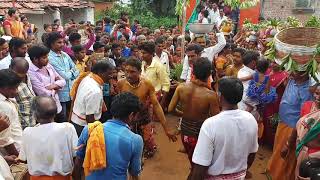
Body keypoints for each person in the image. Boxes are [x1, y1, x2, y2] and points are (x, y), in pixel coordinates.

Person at [189, 77, 258, 179]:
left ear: (220, 96)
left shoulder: (210, 124)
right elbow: (252, 153)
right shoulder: (251, 119)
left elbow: (200, 167)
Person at [75, 92, 143, 180]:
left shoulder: (89, 130)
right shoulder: (135, 140)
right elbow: (134, 173)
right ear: (131, 115)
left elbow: (77, 164)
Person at [117, 58, 177, 157]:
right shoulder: (121, 83)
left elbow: (156, 105)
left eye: (132, 72)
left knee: (147, 140)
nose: (128, 74)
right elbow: (119, 104)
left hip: (144, 116)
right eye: (126, 71)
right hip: (127, 118)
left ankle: (148, 150)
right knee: (129, 143)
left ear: (140, 72)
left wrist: (166, 129)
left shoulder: (147, 84)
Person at [168, 57, 220, 167]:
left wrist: (183, 114)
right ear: (209, 73)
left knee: (193, 160)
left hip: (185, 132)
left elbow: (170, 109)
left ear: (193, 71)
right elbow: (216, 119)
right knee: (200, 165)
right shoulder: (210, 95)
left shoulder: (181, 87)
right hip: (201, 134)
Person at [267, 71, 313, 180]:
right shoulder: (292, 80)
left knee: (286, 156)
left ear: (303, 74)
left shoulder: (308, 90)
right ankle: (273, 173)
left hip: (292, 128)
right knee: (278, 151)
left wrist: (289, 142)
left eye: (294, 70)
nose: (290, 72)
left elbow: (303, 118)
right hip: (282, 122)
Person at [18, 96, 78, 179]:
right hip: (62, 178)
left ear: (34, 115)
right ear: (56, 112)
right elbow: (76, 156)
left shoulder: (27, 132)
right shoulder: (68, 128)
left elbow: (23, 159)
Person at [70, 61, 114, 136]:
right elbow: (90, 118)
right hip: (83, 126)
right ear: (100, 72)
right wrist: (94, 135)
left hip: (76, 120)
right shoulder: (95, 91)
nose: (112, 76)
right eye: (109, 74)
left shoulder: (88, 77)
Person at [46, 32, 80, 122]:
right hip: (61, 93)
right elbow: (64, 75)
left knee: (73, 116)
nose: (62, 44)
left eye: (63, 42)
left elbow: (76, 69)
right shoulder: (50, 57)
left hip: (71, 91)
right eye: (59, 42)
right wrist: (71, 72)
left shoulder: (64, 54)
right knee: (62, 118)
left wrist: (70, 72)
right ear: (51, 44)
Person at [28, 45, 66, 122]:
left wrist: (52, 86)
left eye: (47, 56)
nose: (47, 59)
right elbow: (43, 93)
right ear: (35, 59)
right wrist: (56, 88)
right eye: (44, 58)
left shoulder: (48, 66)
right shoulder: (31, 72)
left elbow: (63, 81)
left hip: (57, 105)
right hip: (45, 111)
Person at [289, 84, 320, 179]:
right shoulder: (307, 105)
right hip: (301, 149)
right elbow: (298, 126)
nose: (318, 97)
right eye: (316, 93)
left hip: (315, 157)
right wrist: (288, 143)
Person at [262, 60, 288, 145]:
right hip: (265, 99)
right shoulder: (268, 71)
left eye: (275, 63)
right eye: (272, 62)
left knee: (272, 121)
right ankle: (264, 139)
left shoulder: (284, 76)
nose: (272, 64)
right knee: (264, 119)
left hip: (276, 102)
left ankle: (271, 142)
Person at [140, 41, 170, 110]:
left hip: (155, 98)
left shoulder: (158, 66)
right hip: (144, 97)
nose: (142, 55)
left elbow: (166, 85)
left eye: (144, 53)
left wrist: (161, 104)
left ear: (151, 54)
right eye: (141, 52)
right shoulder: (142, 63)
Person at [0, 69, 23, 156]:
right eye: (13, 88)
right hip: (14, 150)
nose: (17, 91)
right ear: (3, 88)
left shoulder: (7, 98)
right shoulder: (3, 106)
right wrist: (18, 157)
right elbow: (4, 138)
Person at [10, 57, 36, 129]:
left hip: (31, 120)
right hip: (20, 124)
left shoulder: (26, 78)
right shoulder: (8, 84)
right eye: (18, 73)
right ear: (10, 68)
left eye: (23, 74)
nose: (20, 76)